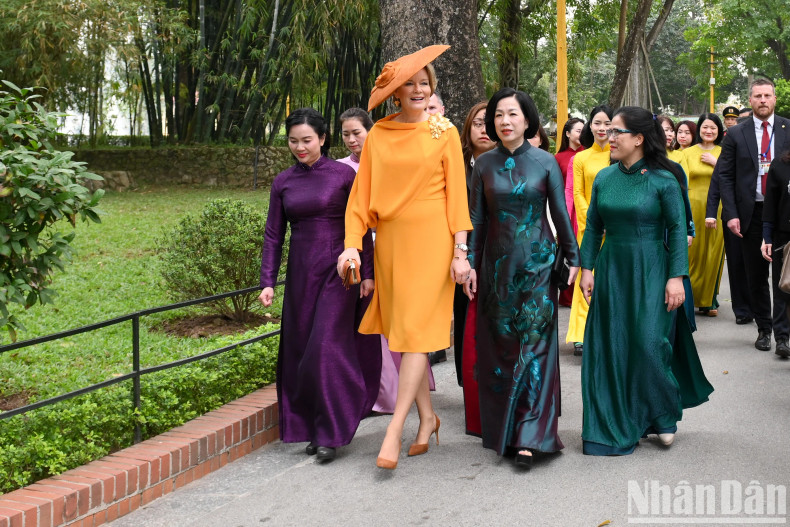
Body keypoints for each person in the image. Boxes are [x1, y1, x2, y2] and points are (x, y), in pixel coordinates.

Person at [338, 45, 472, 470]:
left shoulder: (445, 131)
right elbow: (360, 198)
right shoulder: (378, 134)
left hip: (433, 242)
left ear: (432, 87)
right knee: (403, 335)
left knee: (414, 334)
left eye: (425, 83)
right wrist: (352, 244)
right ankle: (428, 418)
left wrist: (461, 251)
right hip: (392, 244)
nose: (418, 89)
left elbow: (458, 198)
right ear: (395, 92)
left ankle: (394, 429)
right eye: (410, 83)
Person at [579, 106, 713, 456]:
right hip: (612, 269)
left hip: (653, 267)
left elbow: (677, 229)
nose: (609, 136)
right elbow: (593, 227)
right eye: (608, 131)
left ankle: (663, 413)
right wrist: (586, 268)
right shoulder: (605, 178)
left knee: (649, 343)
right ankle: (617, 419)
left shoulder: (664, 180)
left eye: (616, 131)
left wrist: (676, 278)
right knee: (612, 345)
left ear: (639, 138)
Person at [463, 88, 580, 466]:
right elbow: (477, 220)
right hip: (495, 270)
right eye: (498, 115)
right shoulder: (484, 165)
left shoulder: (545, 162)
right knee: (502, 349)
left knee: (535, 348)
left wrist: (574, 258)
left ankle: (532, 436)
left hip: (538, 267)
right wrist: (469, 262)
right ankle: (506, 430)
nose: (505, 121)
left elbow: (560, 214)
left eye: (512, 114)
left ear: (527, 120)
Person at [259, 108, 381, 463]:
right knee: (302, 350)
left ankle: (329, 433)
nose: (300, 147)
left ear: (323, 139)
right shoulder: (283, 182)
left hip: (339, 272)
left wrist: (368, 272)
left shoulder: (343, 175)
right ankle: (313, 427)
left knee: (326, 347)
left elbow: (361, 225)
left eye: (307, 140)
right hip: (300, 274)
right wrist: (268, 281)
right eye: (293, 141)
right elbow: (273, 235)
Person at [337, 106, 437, 414]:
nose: (352, 140)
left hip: (401, 244)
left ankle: (403, 399)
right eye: (346, 134)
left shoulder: (391, 158)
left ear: (372, 131)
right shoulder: (340, 169)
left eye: (357, 133)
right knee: (377, 325)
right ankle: (383, 394)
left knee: (405, 325)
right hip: (361, 250)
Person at [717, 78, 790, 354]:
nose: (762, 100)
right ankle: (764, 329)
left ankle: (783, 335)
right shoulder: (736, 134)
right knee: (756, 276)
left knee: (783, 275)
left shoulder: (788, 129)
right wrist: (731, 214)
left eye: (767, 95)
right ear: (750, 100)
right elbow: (725, 176)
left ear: (774, 99)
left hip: (783, 215)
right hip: (750, 214)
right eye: (757, 96)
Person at [566, 105, 613, 356]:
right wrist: (594, 223)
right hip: (589, 230)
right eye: (597, 123)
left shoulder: (619, 155)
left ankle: (608, 333)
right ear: (590, 126)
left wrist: (611, 222)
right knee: (586, 279)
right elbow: (578, 194)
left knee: (611, 281)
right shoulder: (580, 158)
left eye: (607, 123)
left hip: (616, 229)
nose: (602, 128)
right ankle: (581, 334)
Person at [456, 101, 495, 393]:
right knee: (464, 313)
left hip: (497, 248)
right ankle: (468, 381)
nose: (483, 130)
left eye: (487, 124)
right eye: (477, 123)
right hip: (461, 250)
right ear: (468, 128)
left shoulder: (506, 163)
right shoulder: (455, 164)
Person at [682, 113, 725, 317]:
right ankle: (689, 297)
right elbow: (682, 181)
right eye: (705, 127)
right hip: (693, 207)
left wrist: (716, 163)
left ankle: (709, 300)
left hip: (717, 208)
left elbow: (732, 177)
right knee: (692, 253)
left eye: (713, 128)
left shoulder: (724, 152)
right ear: (699, 129)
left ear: (719, 131)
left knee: (713, 253)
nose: (708, 131)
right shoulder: (687, 153)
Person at [761, 147, 790, 359]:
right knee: (783, 288)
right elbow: (770, 205)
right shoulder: (780, 166)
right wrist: (767, 238)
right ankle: (782, 338)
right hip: (784, 237)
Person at [555, 117, 585, 307]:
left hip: (583, 206)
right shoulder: (558, 158)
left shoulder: (587, 154)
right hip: (566, 209)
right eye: (577, 130)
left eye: (583, 130)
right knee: (568, 249)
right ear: (567, 133)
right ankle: (567, 296)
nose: (581, 134)